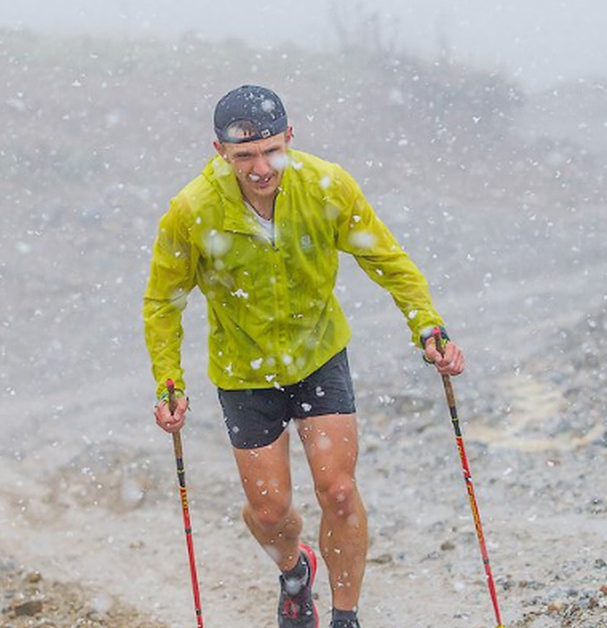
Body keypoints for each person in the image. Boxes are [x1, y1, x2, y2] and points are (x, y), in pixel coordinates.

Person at [142, 85, 464, 628]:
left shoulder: (325, 185)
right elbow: (162, 303)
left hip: (318, 355)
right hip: (244, 373)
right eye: (244, 155)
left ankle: (345, 616)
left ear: (290, 137)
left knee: (338, 491)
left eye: (271, 150)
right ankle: (295, 573)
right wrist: (168, 380)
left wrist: (426, 324)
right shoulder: (192, 210)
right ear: (220, 151)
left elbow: (388, 260)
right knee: (269, 512)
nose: (261, 167)